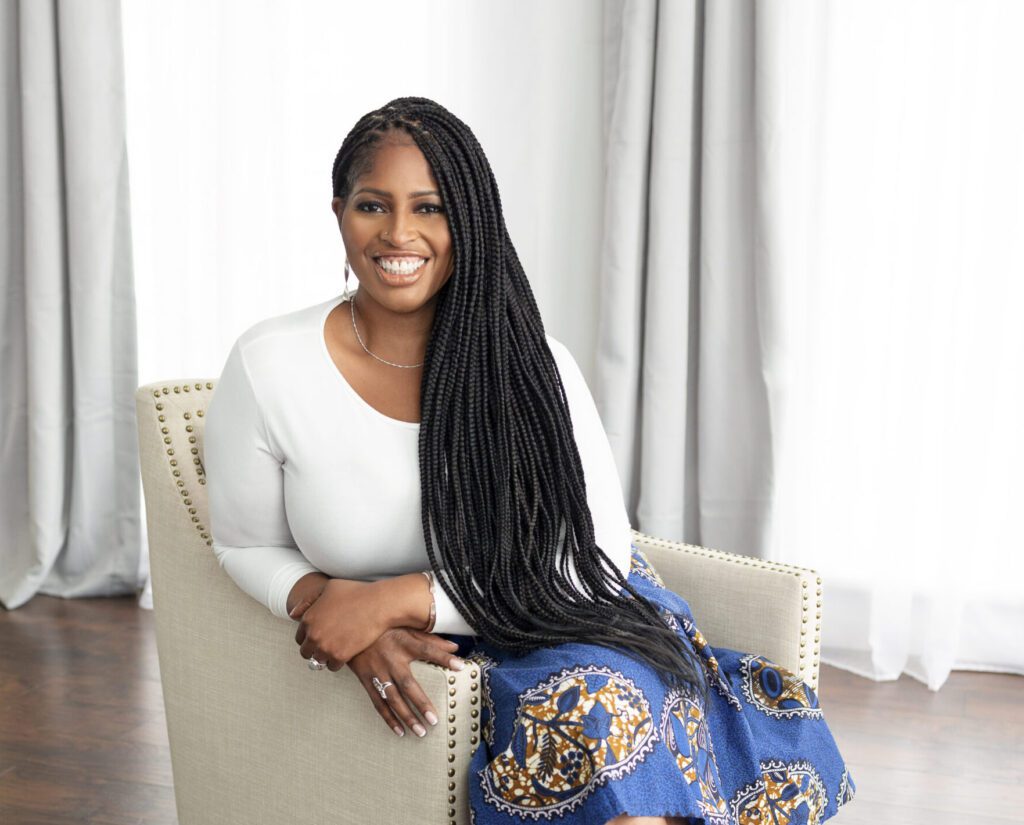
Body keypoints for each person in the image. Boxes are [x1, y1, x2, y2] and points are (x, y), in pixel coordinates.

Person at [204, 97, 854, 825]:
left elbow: (594, 561)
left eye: (430, 208)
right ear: (338, 213)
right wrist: (335, 611)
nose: (398, 233)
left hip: (563, 614)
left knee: (603, 714)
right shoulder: (270, 365)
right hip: (458, 649)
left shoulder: (536, 365)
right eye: (372, 205)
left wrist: (392, 600)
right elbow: (244, 542)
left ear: (471, 222)